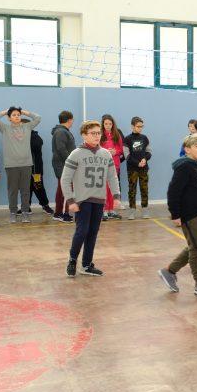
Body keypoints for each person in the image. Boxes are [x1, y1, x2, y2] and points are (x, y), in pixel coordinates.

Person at [157, 134, 197, 298]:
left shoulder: (195, 164)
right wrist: (175, 214)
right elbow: (173, 191)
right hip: (189, 214)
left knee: (194, 246)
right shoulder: (184, 167)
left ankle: (169, 271)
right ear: (187, 149)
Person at [61, 120, 122, 278]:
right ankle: (72, 260)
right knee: (82, 231)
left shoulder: (105, 154)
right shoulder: (76, 154)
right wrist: (70, 200)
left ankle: (86, 265)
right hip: (82, 200)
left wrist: (116, 196)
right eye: (93, 133)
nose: (96, 136)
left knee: (93, 232)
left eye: (98, 133)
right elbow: (65, 179)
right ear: (84, 135)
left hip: (99, 199)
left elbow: (112, 177)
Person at [0, 106, 41, 223]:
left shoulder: (27, 127)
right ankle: (13, 212)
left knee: (25, 190)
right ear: (9, 118)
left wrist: (24, 112)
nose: (17, 116)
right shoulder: (5, 128)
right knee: (12, 190)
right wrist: (6, 111)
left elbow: (38, 118)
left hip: (26, 164)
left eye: (18, 115)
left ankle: (25, 213)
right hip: (11, 165)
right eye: (14, 115)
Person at [123, 116, 152, 220]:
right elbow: (127, 155)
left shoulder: (144, 138)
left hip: (144, 168)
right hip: (132, 169)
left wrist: (145, 159)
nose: (140, 128)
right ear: (132, 126)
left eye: (142, 126)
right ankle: (132, 210)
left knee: (144, 189)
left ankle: (145, 209)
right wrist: (137, 163)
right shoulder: (127, 139)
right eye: (138, 126)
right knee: (132, 190)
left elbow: (149, 152)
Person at [21, 123, 53, 215]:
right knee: (26, 188)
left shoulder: (35, 137)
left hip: (36, 170)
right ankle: (26, 207)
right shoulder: (20, 137)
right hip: (25, 169)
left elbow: (35, 147)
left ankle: (45, 205)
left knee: (38, 187)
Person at [51, 111, 76, 222]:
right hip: (63, 165)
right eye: (72, 119)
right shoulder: (61, 132)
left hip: (64, 165)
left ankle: (58, 213)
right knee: (66, 189)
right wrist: (71, 162)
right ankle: (63, 214)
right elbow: (61, 149)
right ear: (69, 120)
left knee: (62, 189)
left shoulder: (62, 131)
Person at [100, 114, 125, 220]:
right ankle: (104, 210)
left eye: (110, 124)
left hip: (115, 164)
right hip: (103, 164)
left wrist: (115, 151)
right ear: (103, 124)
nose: (108, 126)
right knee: (105, 187)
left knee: (113, 187)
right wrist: (106, 151)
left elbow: (121, 149)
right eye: (106, 124)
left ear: (113, 124)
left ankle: (111, 210)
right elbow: (97, 148)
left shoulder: (117, 134)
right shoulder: (100, 135)